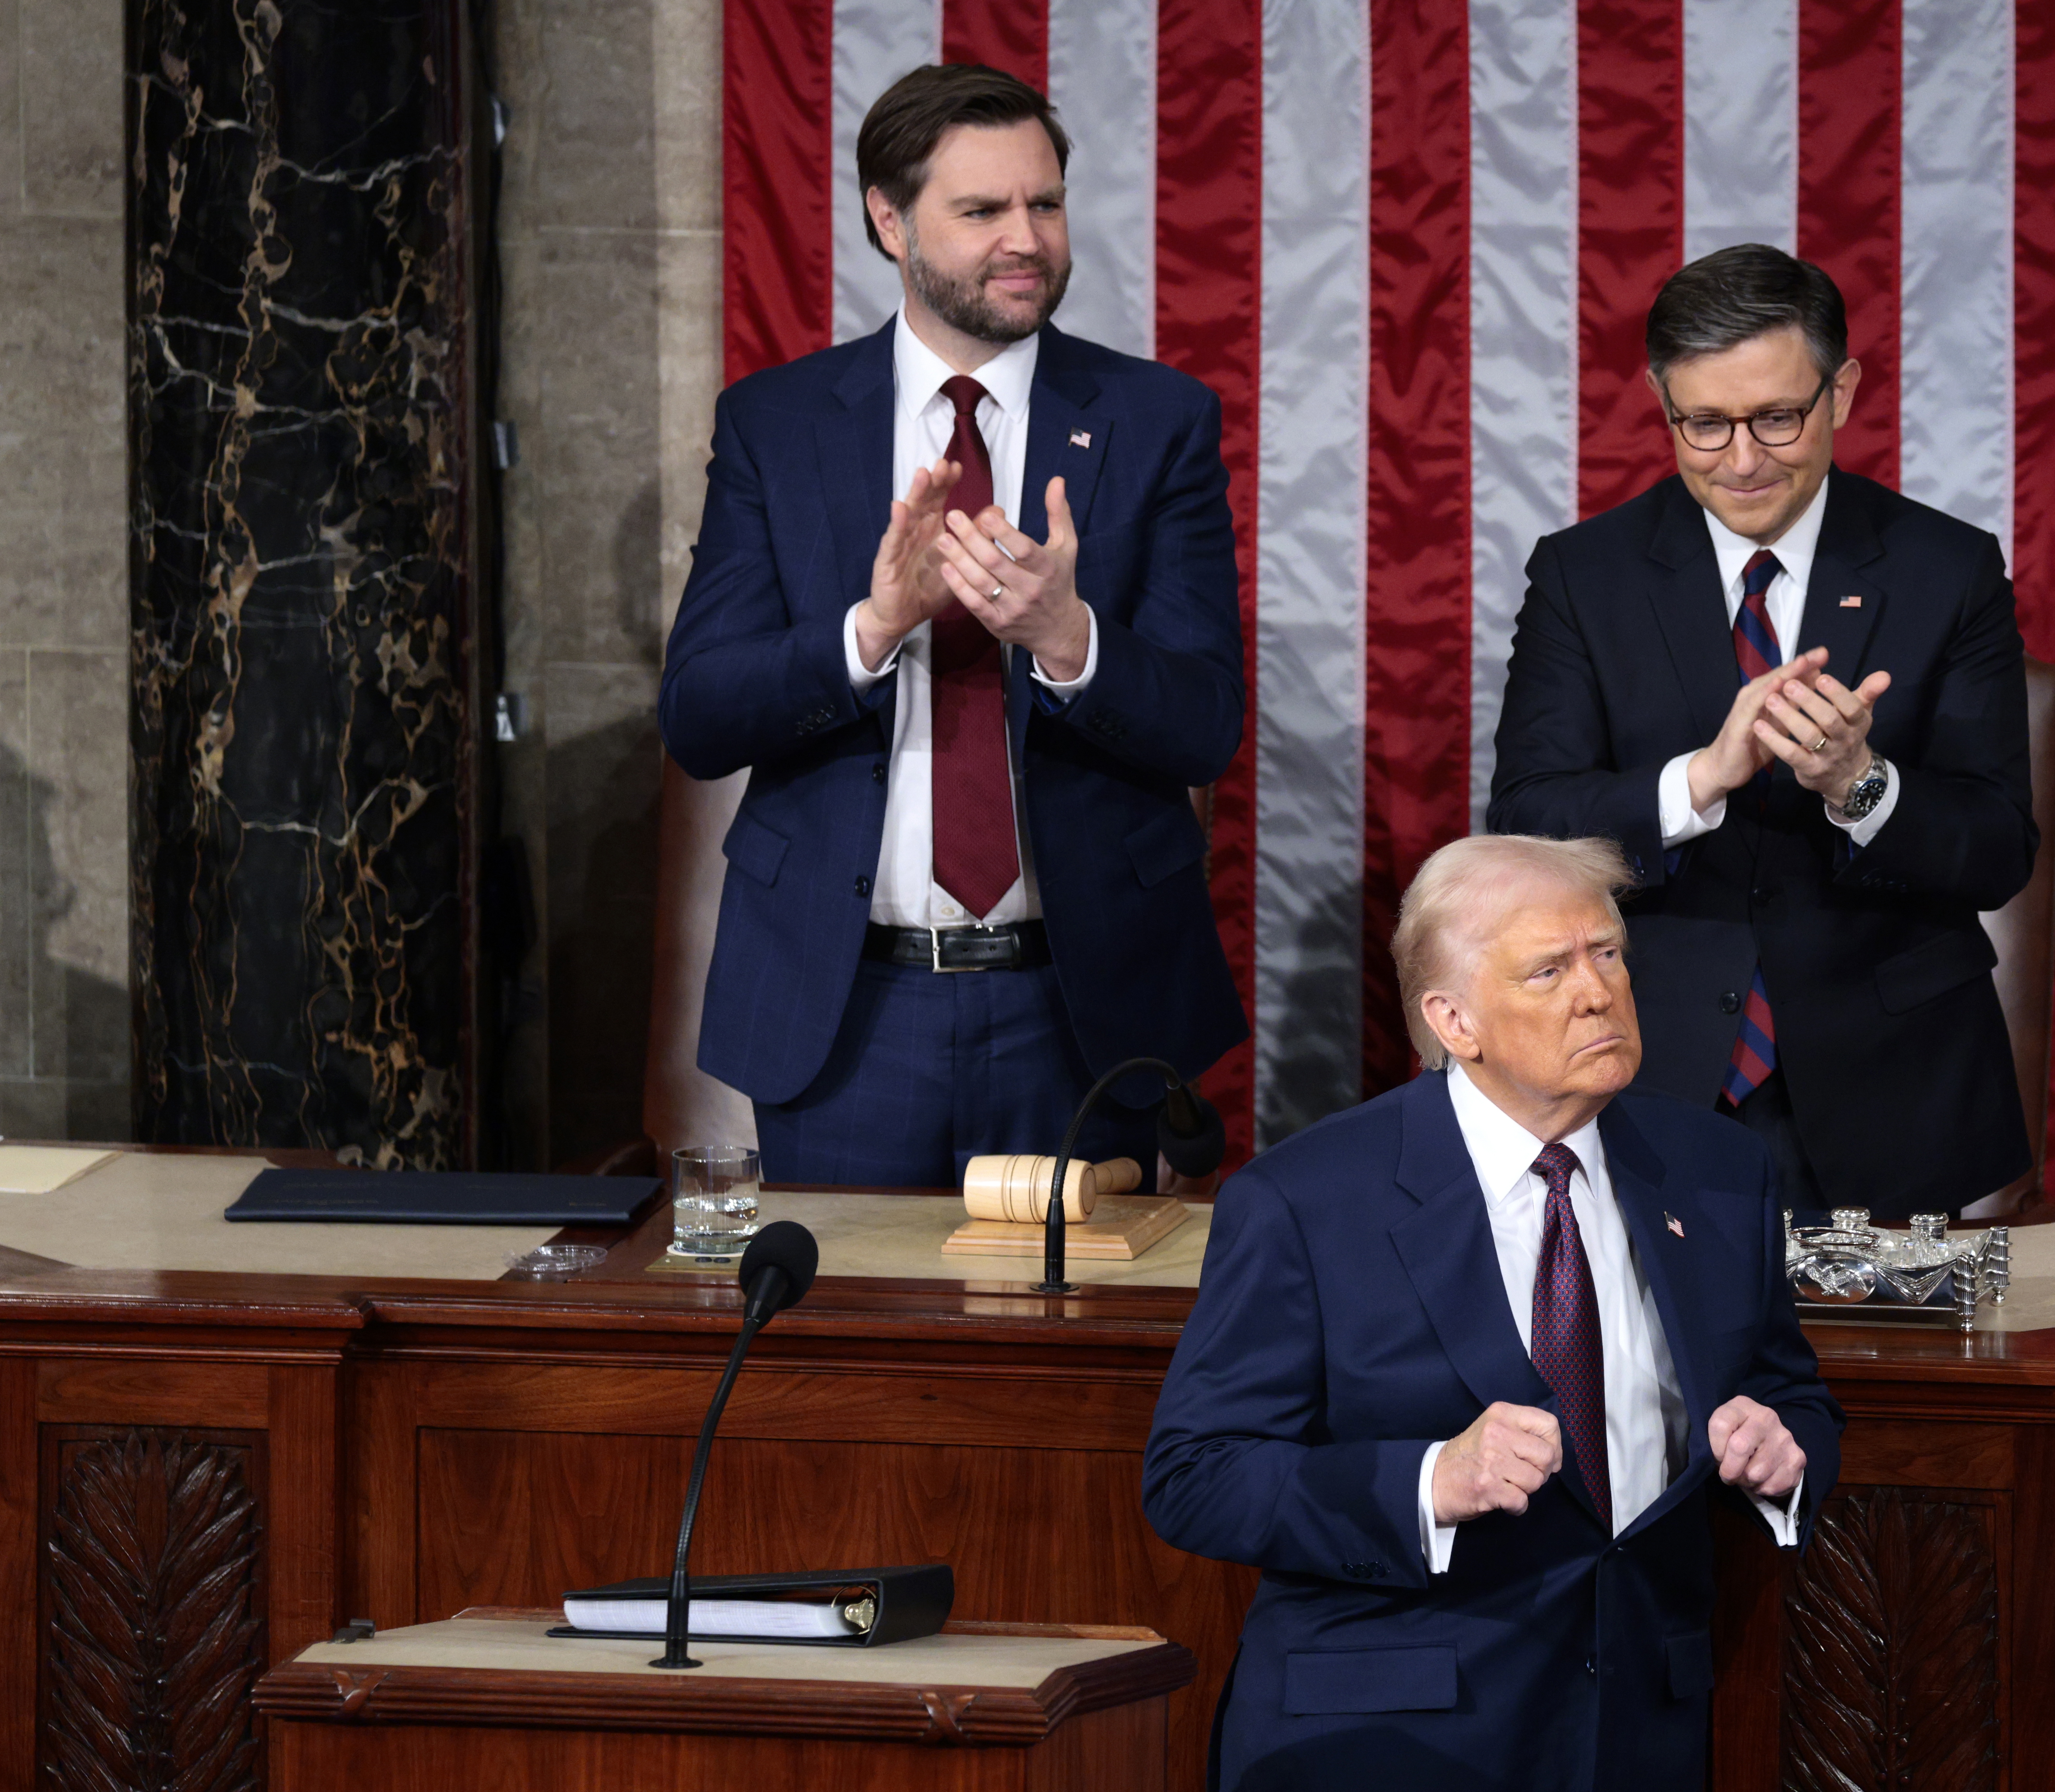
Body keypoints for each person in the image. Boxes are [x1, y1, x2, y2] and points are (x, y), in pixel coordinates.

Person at [1145, 834, 1843, 1790]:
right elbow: (1197, 1476)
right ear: (1454, 1020)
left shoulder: (1718, 1170)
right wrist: (1430, 1481)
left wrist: (1784, 1452)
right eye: (1549, 970)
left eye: (1606, 954)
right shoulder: (1308, 1200)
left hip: (1642, 1730)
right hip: (1391, 1740)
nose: (1597, 992)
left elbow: (1791, 1393)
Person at [660, 64, 1245, 1185]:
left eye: (1045, 204)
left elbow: (1204, 722)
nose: (1025, 239)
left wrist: (1070, 640)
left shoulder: (1156, 420)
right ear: (890, 220)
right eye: (981, 212)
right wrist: (868, 629)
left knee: (1067, 1357)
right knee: (846, 1357)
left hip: (1077, 1009)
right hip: (846, 1013)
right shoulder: (777, 426)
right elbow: (699, 715)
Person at [1487, 245, 2036, 1219]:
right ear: (1663, 402)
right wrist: (1697, 780)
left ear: (1842, 391)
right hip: (1647, 1072)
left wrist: (1861, 784)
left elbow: (1996, 851)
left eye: (1777, 417)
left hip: (1892, 1090)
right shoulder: (1585, 576)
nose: (1742, 459)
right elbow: (1528, 819)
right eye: (1704, 424)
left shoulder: (1946, 568)